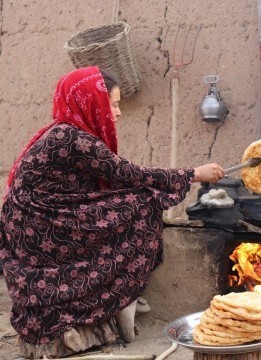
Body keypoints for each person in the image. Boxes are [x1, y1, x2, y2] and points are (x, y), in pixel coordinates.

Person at [0, 66, 225, 357]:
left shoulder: (63, 132)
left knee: (133, 199)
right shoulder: (71, 138)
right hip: (39, 228)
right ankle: (120, 297)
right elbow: (128, 174)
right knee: (142, 203)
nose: (117, 113)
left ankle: (117, 299)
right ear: (89, 102)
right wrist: (194, 173)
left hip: (40, 221)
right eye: (114, 105)